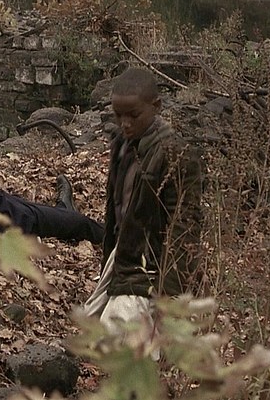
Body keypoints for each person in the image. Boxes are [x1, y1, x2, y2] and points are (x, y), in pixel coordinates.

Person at [81, 67, 203, 341]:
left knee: (118, 341)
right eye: (118, 115)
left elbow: (184, 228)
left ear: (156, 107)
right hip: (122, 258)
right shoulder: (122, 145)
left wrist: (169, 294)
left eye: (133, 115)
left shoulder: (176, 155)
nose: (125, 123)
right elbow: (116, 214)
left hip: (149, 268)